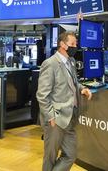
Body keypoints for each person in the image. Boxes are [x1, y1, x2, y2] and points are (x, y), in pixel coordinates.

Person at [37, 31, 92, 171]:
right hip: (55, 118)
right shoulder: (50, 64)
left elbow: (72, 82)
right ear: (62, 44)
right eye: (72, 44)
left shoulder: (71, 62)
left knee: (71, 155)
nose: (75, 47)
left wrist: (81, 89)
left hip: (70, 116)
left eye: (76, 44)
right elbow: (42, 95)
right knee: (50, 156)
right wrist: (50, 117)